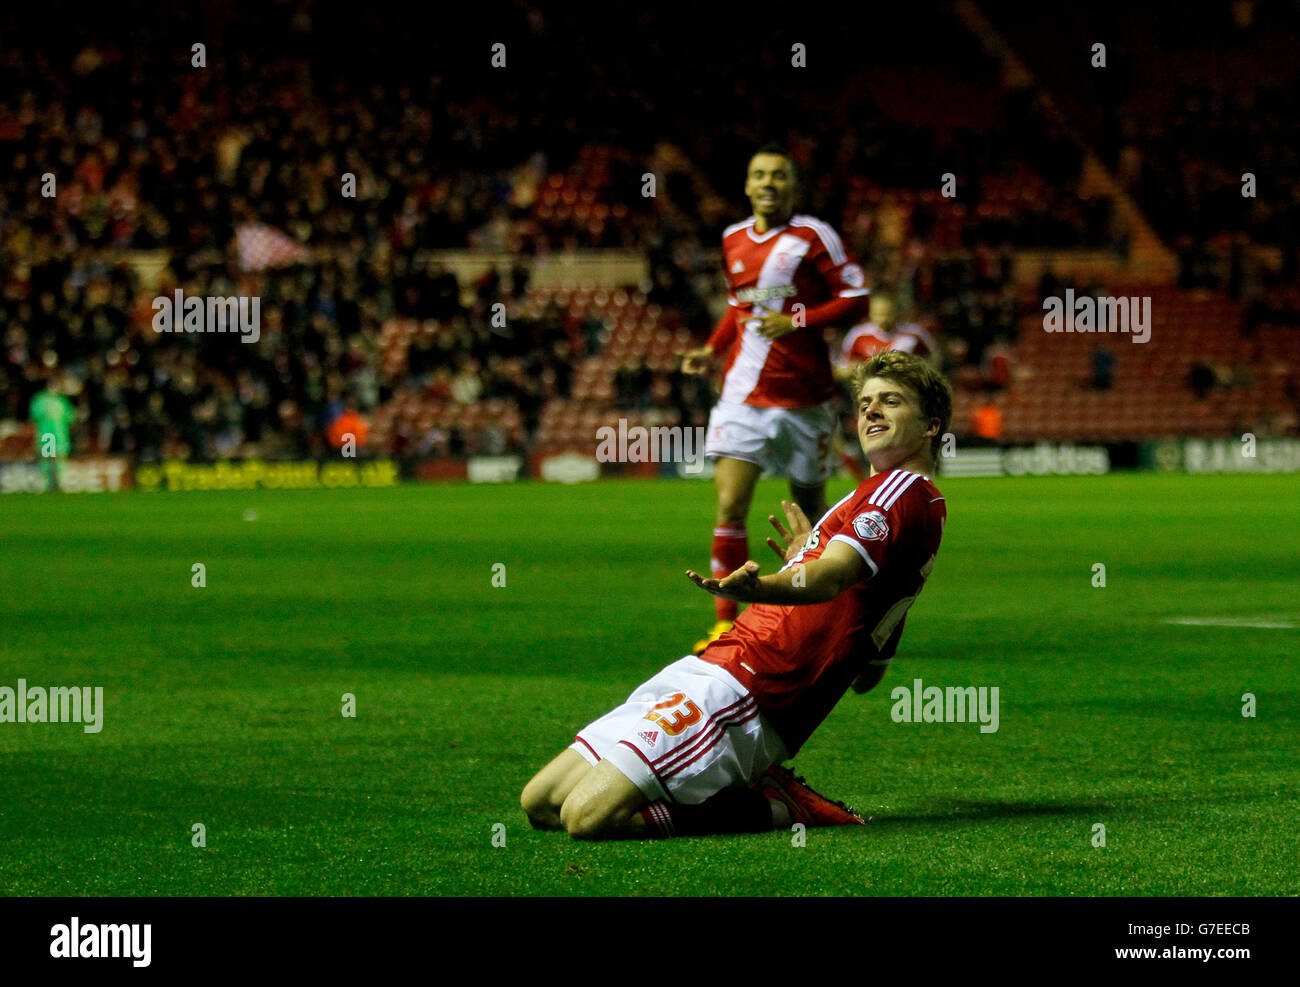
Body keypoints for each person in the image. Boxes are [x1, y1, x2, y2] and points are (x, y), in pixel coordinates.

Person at [521, 352, 951, 840]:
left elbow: (832, 578)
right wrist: (803, 564)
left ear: (930, 426)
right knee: (540, 802)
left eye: (890, 402)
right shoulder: (886, 498)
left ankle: (776, 807)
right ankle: (731, 787)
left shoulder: (902, 491)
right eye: (866, 403)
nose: (871, 411)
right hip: (718, 665)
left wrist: (763, 585)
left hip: (753, 691)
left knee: (588, 818)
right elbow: (867, 665)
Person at [680, 145, 869, 653]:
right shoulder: (732, 239)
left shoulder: (814, 236)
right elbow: (737, 307)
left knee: (811, 510)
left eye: (779, 176)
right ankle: (725, 625)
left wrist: (797, 320)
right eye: (759, 174)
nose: (768, 183)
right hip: (743, 396)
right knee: (730, 504)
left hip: (807, 399)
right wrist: (710, 349)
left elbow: (857, 299)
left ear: (793, 187)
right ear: (746, 186)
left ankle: (828, 610)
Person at [29, 376, 77, 492]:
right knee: (48, 459)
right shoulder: (42, 400)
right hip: (50, 435)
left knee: (58, 459)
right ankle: (47, 484)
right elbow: (71, 418)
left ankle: (60, 483)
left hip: (57, 435)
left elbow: (71, 417)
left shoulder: (60, 401)